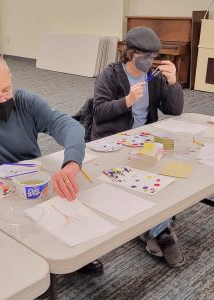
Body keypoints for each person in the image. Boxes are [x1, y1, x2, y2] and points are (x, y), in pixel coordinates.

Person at [0, 52, 101, 274]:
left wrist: (72, 163)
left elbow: (70, 127)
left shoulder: (25, 101)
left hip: (33, 183)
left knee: (71, 219)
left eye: (6, 90)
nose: (2, 99)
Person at [90, 26, 185, 268]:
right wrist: (127, 101)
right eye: (146, 55)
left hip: (143, 142)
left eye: (154, 56)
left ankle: (150, 227)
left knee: (167, 173)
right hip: (112, 142)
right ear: (131, 53)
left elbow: (174, 110)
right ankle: (162, 233)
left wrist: (173, 83)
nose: (151, 60)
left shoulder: (153, 77)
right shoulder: (110, 75)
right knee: (140, 182)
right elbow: (99, 113)